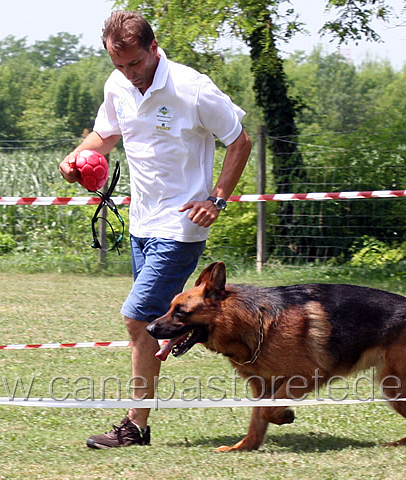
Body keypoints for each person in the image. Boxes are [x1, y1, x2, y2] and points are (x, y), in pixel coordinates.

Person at [59, 10, 252, 449]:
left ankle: (134, 425)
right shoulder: (117, 86)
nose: (129, 74)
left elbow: (239, 141)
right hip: (141, 222)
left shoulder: (193, 88)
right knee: (149, 324)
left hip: (181, 224)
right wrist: (74, 159)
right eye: (119, 65)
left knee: (136, 318)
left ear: (154, 49)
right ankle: (193, 332)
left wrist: (216, 198)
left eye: (135, 64)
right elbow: (104, 137)